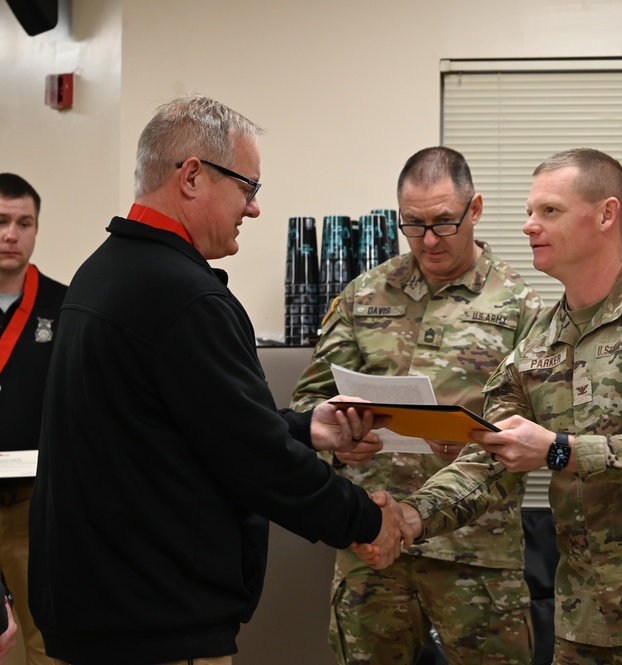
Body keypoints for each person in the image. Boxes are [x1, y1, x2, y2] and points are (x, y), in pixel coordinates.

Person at [28, 95, 409, 665]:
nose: (253, 209)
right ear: (191, 177)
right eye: (248, 188)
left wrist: (307, 429)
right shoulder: (183, 296)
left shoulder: (102, 272)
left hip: (98, 611)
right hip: (156, 625)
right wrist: (368, 520)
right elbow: (253, 457)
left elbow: (181, 422)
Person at [373, 148, 622, 663]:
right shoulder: (537, 342)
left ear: (606, 214)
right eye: (530, 211)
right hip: (585, 627)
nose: (528, 226)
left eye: (549, 211)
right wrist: (410, 518)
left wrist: (560, 450)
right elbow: (490, 453)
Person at [291, 146, 543, 664]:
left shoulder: (522, 306)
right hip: (372, 541)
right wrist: (341, 445)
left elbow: (537, 426)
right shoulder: (365, 294)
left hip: (476, 553)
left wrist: (478, 438)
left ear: (474, 210)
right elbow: (309, 400)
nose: (429, 240)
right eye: (414, 224)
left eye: (444, 223)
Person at [0, 172, 66, 665]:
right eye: (1, 222)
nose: (11, 234)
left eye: (24, 222)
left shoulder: (64, 305)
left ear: (37, 229)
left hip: (31, 504)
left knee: (45, 636)